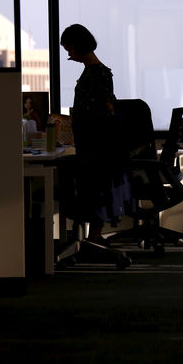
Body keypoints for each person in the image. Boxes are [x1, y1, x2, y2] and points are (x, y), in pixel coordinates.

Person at [60, 24, 131, 244]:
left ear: (78, 45)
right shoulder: (93, 72)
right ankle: (92, 236)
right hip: (92, 145)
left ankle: (93, 236)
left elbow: (103, 110)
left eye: (69, 48)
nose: (69, 54)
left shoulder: (98, 73)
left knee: (88, 187)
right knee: (89, 187)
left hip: (95, 147)